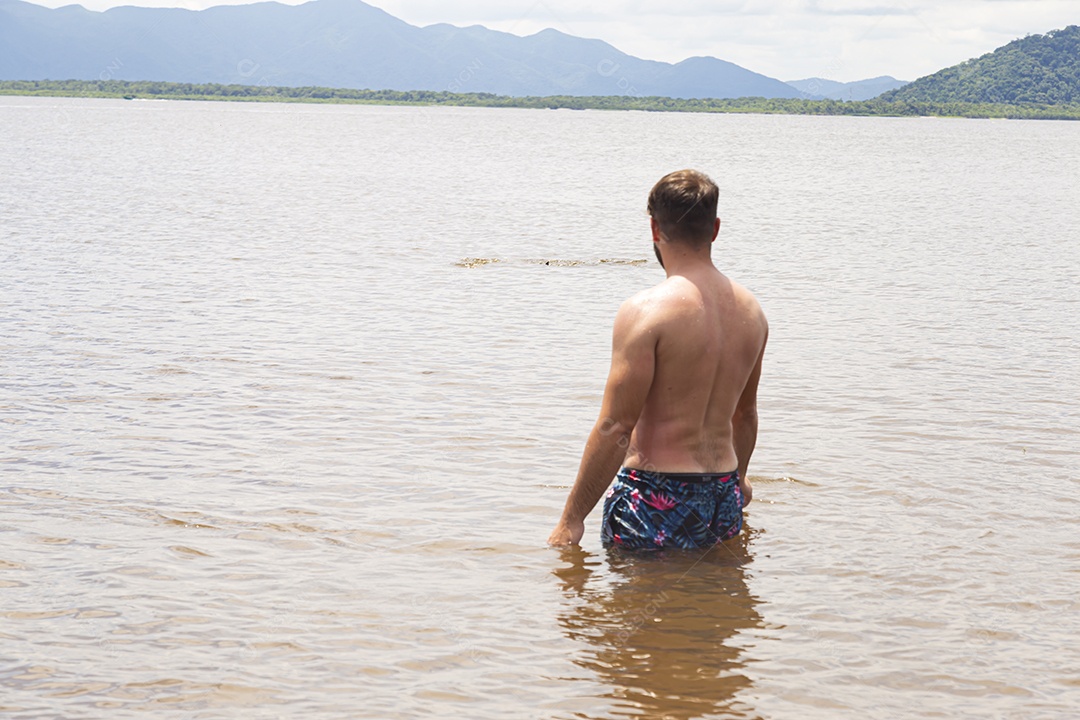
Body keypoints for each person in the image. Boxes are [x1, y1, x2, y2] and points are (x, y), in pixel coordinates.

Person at [548, 169, 768, 549]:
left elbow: (616, 427)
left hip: (655, 497)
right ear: (714, 229)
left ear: (654, 228)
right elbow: (745, 416)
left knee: (636, 606)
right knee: (713, 603)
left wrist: (571, 518)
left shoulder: (646, 311)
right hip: (722, 496)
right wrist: (739, 480)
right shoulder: (752, 313)